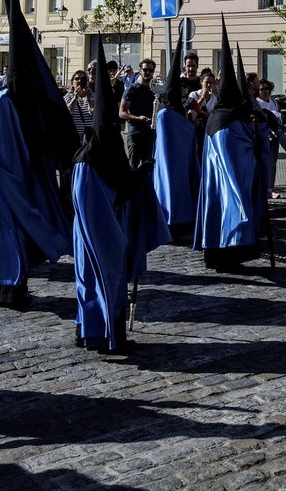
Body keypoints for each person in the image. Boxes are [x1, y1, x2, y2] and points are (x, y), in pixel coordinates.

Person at [0, 0, 73, 309]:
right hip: (5, 186)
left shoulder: (33, 105)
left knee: (21, 235)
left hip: (26, 184)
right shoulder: (1, 102)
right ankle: (5, 290)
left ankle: (15, 287)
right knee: (6, 236)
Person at [71, 35, 170, 350]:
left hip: (95, 237)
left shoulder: (99, 154)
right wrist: (136, 179)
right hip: (100, 238)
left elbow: (121, 183)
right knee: (104, 280)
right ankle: (104, 336)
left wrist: (140, 174)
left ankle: (92, 332)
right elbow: (107, 200)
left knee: (92, 282)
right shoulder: (89, 162)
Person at [194, 17, 268, 272]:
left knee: (216, 207)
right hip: (232, 185)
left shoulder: (215, 117)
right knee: (231, 209)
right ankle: (230, 254)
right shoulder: (230, 122)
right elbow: (241, 156)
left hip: (214, 186)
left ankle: (216, 255)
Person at [152, 25, 199, 242]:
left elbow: (187, 129)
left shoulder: (175, 110)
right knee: (170, 188)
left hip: (180, 160)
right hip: (168, 162)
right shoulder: (164, 113)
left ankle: (181, 221)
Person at [119, 58, 158, 165]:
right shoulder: (132, 89)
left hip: (151, 134)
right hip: (135, 134)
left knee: (149, 167)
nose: (147, 72)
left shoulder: (156, 90)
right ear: (140, 70)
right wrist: (137, 118)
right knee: (133, 166)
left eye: (150, 70)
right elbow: (122, 112)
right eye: (145, 70)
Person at [66, 70, 96, 143]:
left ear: (87, 82)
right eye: (77, 79)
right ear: (72, 83)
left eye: (83, 79)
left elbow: (95, 114)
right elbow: (67, 114)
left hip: (90, 137)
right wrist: (75, 98)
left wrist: (89, 98)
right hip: (74, 137)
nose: (79, 81)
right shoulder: (68, 97)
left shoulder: (93, 96)